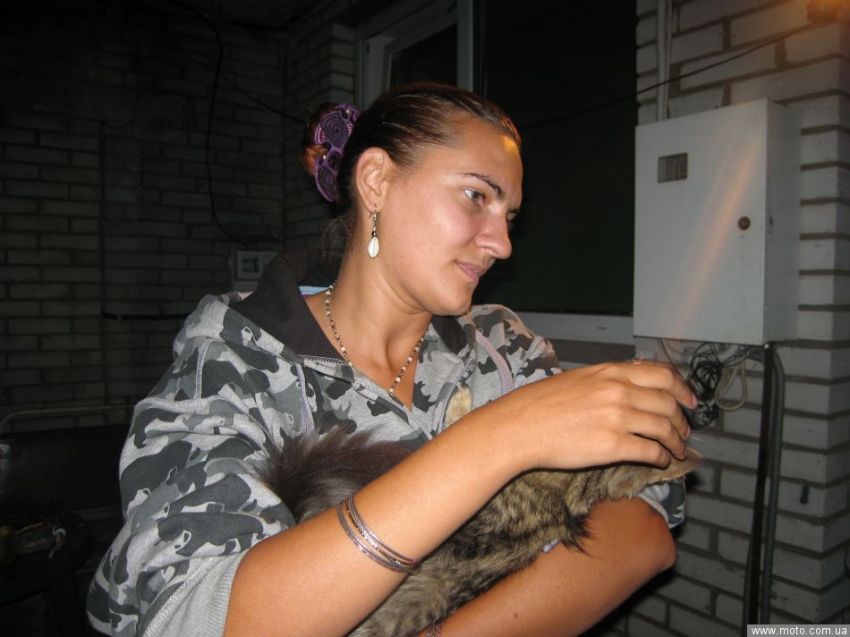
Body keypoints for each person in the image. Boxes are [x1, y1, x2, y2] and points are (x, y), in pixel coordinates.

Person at [87, 82, 695, 637]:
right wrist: (501, 438)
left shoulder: (500, 346)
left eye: (508, 216)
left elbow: (644, 523)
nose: (503, 243)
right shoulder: (234, 364)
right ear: (376, 181)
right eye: (476, 196)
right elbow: (193, 617)